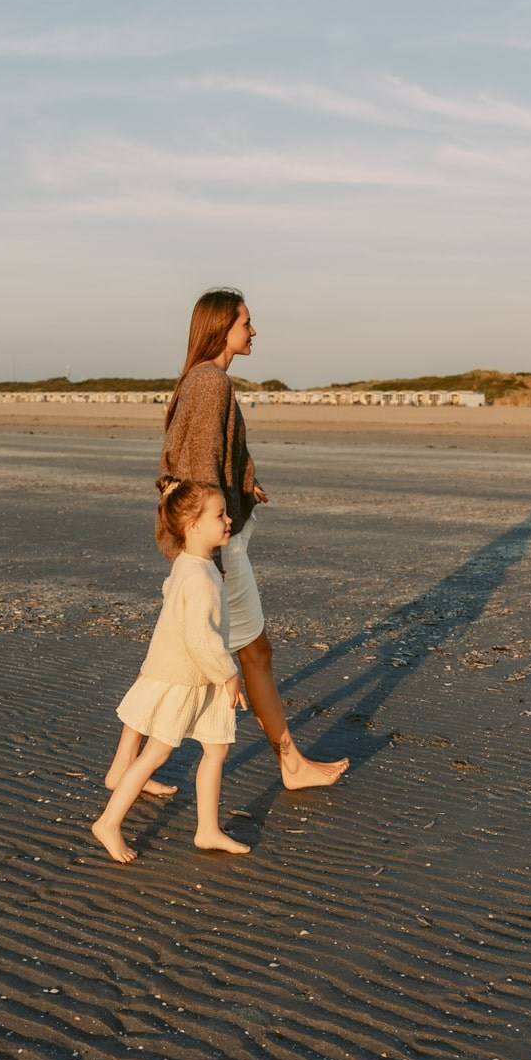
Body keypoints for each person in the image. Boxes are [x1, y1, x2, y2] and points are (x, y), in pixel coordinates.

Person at [152, 286, 347, 789]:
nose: (254, 330)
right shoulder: (212, 381)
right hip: (217, 544)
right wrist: (210, 549)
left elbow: (194, 457)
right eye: (246, 322)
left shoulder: (197, 380)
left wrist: (244, 483)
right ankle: (292, 764)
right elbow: (195, 468)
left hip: (206, 537)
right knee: (253, 653)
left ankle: (125, 770)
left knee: (171, 655)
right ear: (223, 328)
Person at [93, 480, 249, 863]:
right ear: (193, 526)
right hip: (187, 678)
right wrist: (229, 674)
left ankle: (207, 829)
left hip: (200, 677)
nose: (229, 520)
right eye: (220, 515)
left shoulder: (190, 564)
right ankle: (109, 822)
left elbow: (171, 595)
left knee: (217, 749)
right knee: (155, 755)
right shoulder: (198, 576)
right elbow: (200, 638)